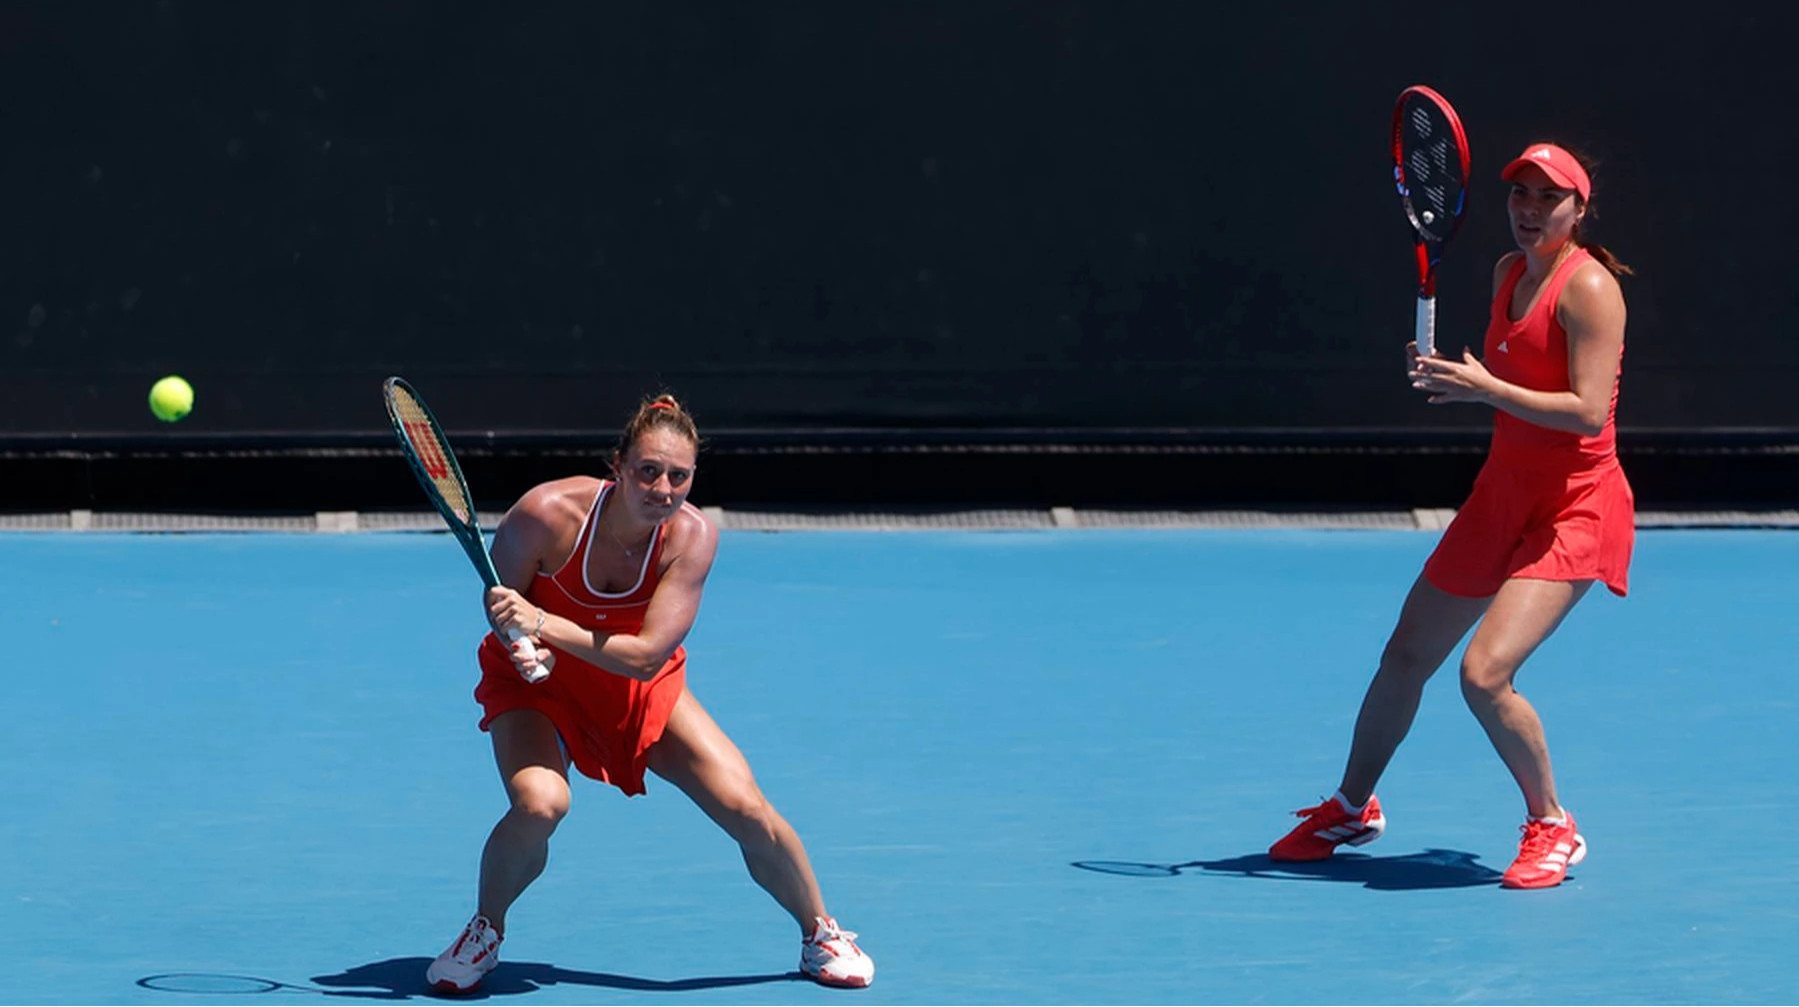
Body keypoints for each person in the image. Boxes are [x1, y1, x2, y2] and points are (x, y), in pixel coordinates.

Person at [1269, 142, 1634, 889]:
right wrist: (1451, 378)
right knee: (1405, 655)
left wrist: (1485, 389)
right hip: (1503, 494)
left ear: (1579, 209)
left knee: (1484, 674)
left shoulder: (1590, 289)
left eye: (1549, 198)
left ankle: (1552, 823)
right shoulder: (1507, 274)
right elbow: (1511, 380)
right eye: (1520, 194)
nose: (1530, 210)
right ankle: (1351, 807)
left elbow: (1587, 412)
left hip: (1575, 506)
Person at [425, 394, 875, 991]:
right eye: (648, 471)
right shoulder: (544, 513)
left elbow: (644, 657)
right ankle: (485, 929)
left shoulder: (692, 537)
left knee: (745, 806)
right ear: (618, 465)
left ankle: (821, 934)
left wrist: (542, 625)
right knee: (540, 805)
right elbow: (504, 606)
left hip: (635, 687)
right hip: (539, 688)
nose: (663, 489)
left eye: (679, 476)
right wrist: (522, 641)